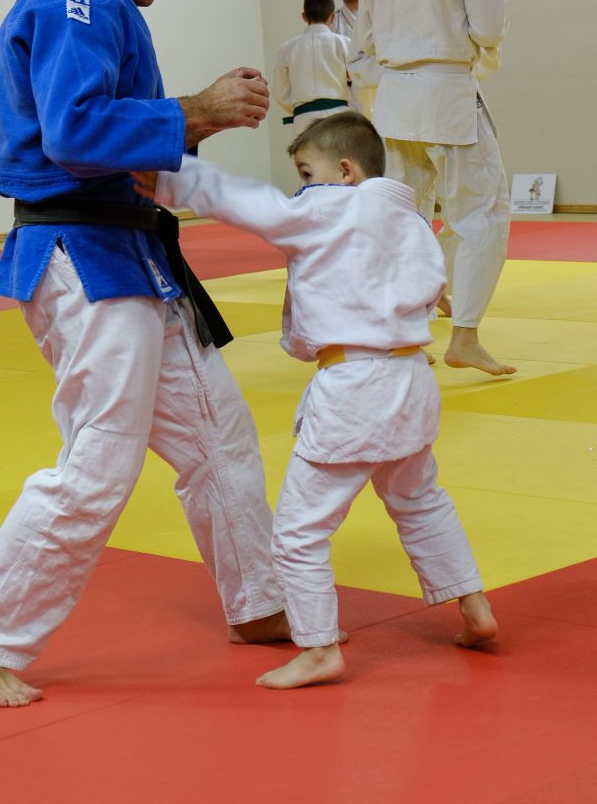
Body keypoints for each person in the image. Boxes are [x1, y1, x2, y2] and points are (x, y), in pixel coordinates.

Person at [0, 0, 289, 708]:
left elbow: (118, 148)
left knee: (217, 434)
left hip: (129, 257)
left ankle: (261, 601)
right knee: (100, 458)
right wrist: (195, 108)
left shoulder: (101, 7)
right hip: (78, 254)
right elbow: (75, 131)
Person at [135, 112, 498, 690]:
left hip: (355, 390)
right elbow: (432, 286)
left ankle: (318, 647)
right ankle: (473, 606)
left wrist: (167, 177)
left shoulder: (329, 207)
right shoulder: (407, 220)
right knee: (420, 500)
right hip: (411, 383)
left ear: (346, 171)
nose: (300, 187)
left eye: (306, 172)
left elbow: (253, 204)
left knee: (299, 531)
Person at [348, 0, 515, 377]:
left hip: (395, 101)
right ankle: (464, 335)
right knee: (483, 213)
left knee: (404, 219)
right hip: (447, 95)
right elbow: (489, 25)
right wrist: (469, 53)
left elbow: (364, 44)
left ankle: (405, 329)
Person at [272, 0, 350, 137]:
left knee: (309, 160)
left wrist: (299, 107)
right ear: (332, 17)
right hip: (340, 116)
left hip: (303, 118)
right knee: (340, 159)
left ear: (304, 16)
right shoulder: (344, 44)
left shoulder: (287, 49)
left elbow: (279, 91)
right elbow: (359, 82)